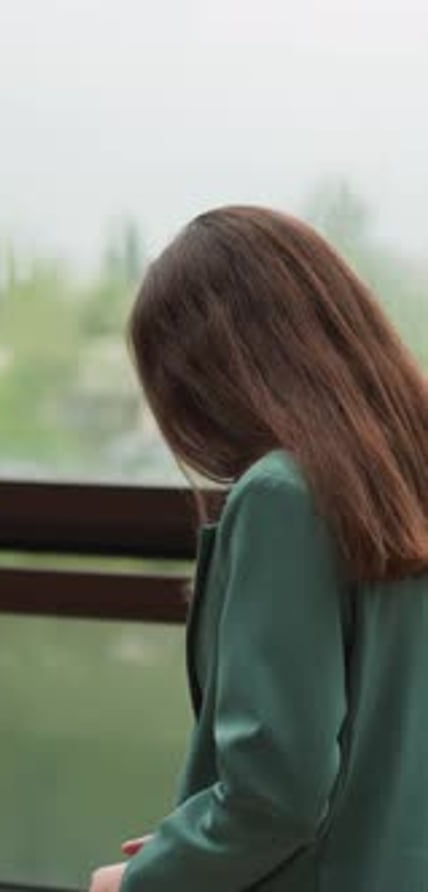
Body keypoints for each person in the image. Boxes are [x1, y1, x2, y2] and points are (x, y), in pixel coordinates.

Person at [89, 206, 428, 892]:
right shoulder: (404, 480)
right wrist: (198, 844)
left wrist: (142, 881)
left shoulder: (283, 497)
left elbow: (278, 794)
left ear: (207, 369)